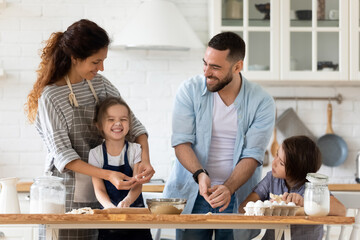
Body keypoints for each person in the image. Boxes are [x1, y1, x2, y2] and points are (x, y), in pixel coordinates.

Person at [25, 19, 154, 239]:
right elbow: (64, 156)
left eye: (103, 61)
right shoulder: (51, 97)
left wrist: (145, 159)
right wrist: (108, 174)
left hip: (106, 193)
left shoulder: (100, 84)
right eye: (96, 62)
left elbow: (134, 126)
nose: (101, 68)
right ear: (75, 58)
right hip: (67, 195)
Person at [163, 31, 275, 240]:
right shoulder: (189, 91)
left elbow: (253, 155)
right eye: (205, 63)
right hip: (193, 193)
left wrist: (228, 188)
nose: (207, 72)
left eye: (215, 67)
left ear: (237, 66)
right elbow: (181, 143)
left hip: (237, 195)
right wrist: (200, 174)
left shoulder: (262, 101)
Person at [238, 135, 346, 240]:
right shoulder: (271, 179)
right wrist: (267, 207)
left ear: (296, 170)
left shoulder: (314, 186)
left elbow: (341, 211)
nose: (274, 163)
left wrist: (306, 203)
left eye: (281, 163)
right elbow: (244, 207)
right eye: (276, 155)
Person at [89, 97, 152, 240]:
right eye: (111, 119)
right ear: (99, 125)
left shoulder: (136, 150)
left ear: (129, 124)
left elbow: (137, 184)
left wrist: (127, 201)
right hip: (109, 218)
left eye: (123, 119)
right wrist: (110, 208)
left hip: (136, 215)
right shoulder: (95, 154)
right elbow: (98, 189)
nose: (117, 123)